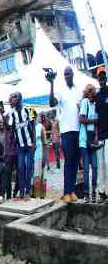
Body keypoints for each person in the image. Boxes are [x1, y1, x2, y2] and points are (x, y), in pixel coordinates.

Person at [49, 66, 81, 203]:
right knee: (68, 161)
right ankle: (66, 192)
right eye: (65, 74)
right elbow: (51, 103)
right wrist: (51, 84)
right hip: (66, 131)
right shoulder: (61, 91)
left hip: (78, 130)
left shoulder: (78, 90)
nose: (67, 75)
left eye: (68, 73)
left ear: (72, 74)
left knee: (75, 161)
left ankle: (72, 190)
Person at [2, 92, 35, 201]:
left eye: (14, 97)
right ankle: (21, 193)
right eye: (11, 98)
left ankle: (28, 192)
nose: (11, 99)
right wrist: (3, 116)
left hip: (29, 144)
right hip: (19, 146)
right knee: (20, 168)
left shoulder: (28, 109)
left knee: (29, 167)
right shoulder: (11, 113)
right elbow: (10, 128)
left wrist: (34, 143)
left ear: (20, 98)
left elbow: (32, 126)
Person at [79, 84, 100, 203]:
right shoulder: (85, 102)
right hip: (83, 140)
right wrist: (94, 121)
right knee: (86, 168)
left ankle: (93, 192)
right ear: (86, 93)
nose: (91, 94)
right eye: (89, 92)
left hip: (93, 140)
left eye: (93, 92)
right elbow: (81, 119)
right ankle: (86, 194)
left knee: (95, 167)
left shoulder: (95, 105)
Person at [96, 71, 108, 202]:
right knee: (101, 165)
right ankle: (102, 192)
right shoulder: (98, 96)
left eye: (103, 78)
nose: (102, 81)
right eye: (100, 79)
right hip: (100, 135)